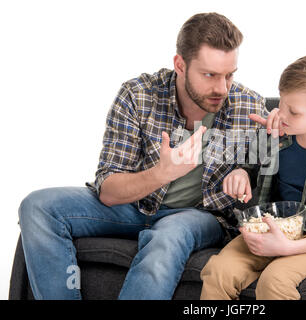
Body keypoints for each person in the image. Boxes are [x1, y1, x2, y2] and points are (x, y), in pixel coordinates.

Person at [18, 12, 267, 300]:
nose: (222, 88)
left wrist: (252, 163)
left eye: (229, 75)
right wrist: (162, 173)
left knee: (169, 234)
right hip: (134, 206)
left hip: (197, 216)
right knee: (38, 206)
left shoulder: (248, 105)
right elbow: (109, 189)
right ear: (180, 65)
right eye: (210, 75)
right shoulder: (139, 95)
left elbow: (268, 172)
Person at [200, 51, 306, 300]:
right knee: (218, 272)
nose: (281, 115)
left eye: (293, 112)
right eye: (281, 104)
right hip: (269, 228)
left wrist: (289, 247)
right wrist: (240, 173)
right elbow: (249, 167)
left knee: (274, 282)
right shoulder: (277, 131)